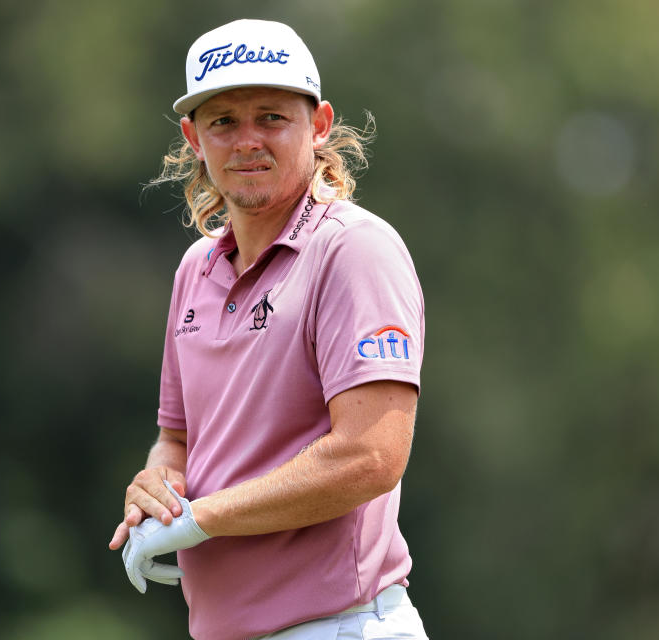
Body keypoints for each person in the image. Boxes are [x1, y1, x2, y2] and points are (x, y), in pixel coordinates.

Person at [108, 18, 428, 640]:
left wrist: (201, 520)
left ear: (319, 124)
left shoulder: (354, 251)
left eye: (272, 117)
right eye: (223, 120)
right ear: (193, 137)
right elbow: (177, 439)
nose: (246, 139)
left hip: (340, 627)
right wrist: (160, 490)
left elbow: (371, 455)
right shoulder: (194, 270)